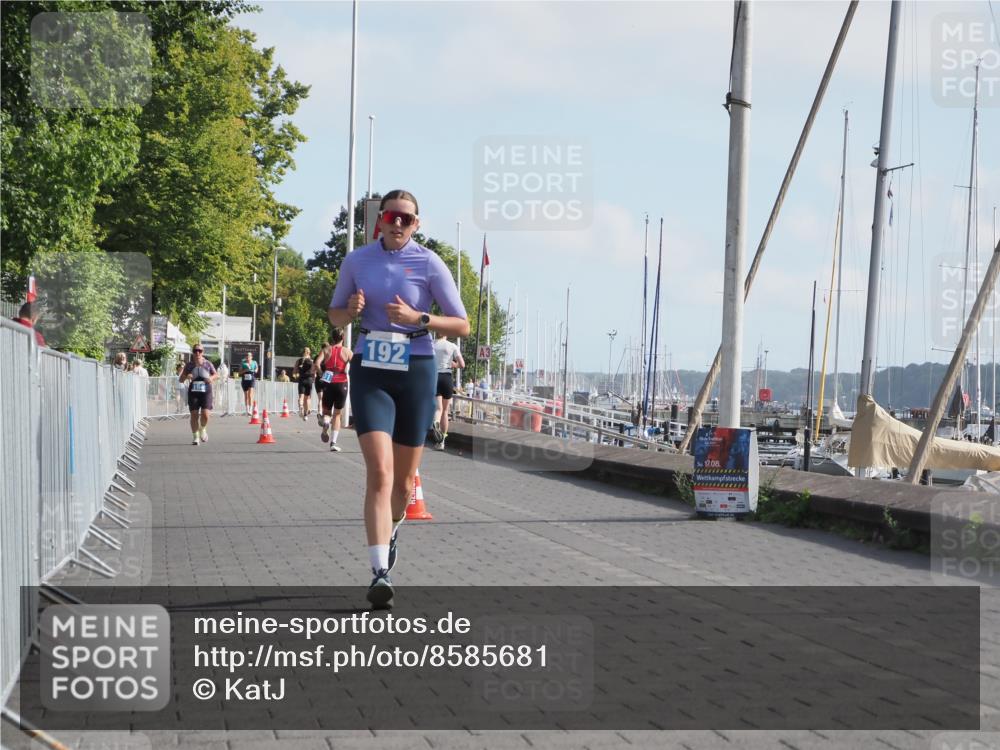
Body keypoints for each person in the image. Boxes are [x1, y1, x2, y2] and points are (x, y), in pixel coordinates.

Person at [328, 189, 469, 608]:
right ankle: (379, 572)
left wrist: (419, 318)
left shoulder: (429, 262)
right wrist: (350, 311)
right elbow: (334, 314)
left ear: (416, 224)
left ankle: (390, 533)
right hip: (371, 368)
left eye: (407, 219)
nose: (398, 223)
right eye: (392, 216)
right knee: (380, 473)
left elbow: (461, 324)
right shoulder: (357, 260)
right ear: (380, 220)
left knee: (405, 483)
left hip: (417, 368)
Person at [316, 328, 352, 452]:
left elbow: (317, 364)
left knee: (327, 412)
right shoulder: (347, 351)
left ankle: (326, 421)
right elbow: (356, 364)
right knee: (337, 414)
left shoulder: (326, 350)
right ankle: (333, 443)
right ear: (343, 338)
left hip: (329, 379)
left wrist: (322, 374)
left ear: (332, 338)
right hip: (342, 381)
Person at [431, 332, 465, 450]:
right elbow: (462, 364)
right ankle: (442, 443)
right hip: (447, 377)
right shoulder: (452, 346)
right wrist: (454, 364)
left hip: (434, 376)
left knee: (438, 409)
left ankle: (435, 422)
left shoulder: (431, 344)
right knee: (445, 411)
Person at [179, 345, 217, 445]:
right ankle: (196, 437)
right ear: (193, 352)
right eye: (195, 351)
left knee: (206, 415)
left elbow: (216, 375)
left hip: (206, 391)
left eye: (200, 351)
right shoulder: (189, 365)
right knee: (194, 415)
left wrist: (211, 379)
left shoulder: (207, 364)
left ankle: (203, 429)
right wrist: (187, 376)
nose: (198, 353)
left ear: (203, 352)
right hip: (194, 392)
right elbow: (181, 379)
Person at [294, 347, 315, 419]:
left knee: (301, 397)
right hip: (309, 380)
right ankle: (306, 414)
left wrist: (297, 375)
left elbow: (294, 372)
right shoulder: (312, 361)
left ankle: (300, 407)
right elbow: (314, 372)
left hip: (301, 380)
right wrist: (314, 378)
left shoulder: (298, 361)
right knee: (307, 398)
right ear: (309, 353)